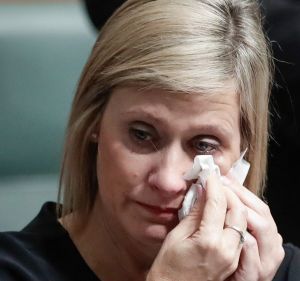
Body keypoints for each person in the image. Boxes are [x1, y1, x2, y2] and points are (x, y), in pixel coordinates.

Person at [0, 0, 299, 280]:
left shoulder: (277, 270)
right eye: (141, 135)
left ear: (243, 152)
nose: (168, 181)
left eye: (204, 145)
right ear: (94, 121)